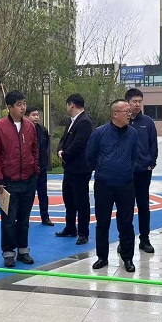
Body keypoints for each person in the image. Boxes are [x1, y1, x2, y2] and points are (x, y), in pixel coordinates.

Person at [87, 99, 139, 273]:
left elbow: (134, 155)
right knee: (102, 222)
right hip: (104, 184)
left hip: (126, 184)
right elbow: (90, 156)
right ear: (115, 114)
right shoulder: (99, 133)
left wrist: (128, 169)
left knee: (126, 223)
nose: (129, 115)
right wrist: (102, 169)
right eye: (126, 112)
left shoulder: (133, 133)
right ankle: (102, 257)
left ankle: (128, 258)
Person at [0, 90, 39, 267]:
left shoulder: (30, 126)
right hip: (9, 182)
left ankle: (23, 250)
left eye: (24, 103)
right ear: (9, 107)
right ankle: (8, 252)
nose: (23, 107)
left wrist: (35, 169)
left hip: (28, 179)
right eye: (19, 105)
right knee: (8, 220)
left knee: (24, 219)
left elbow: (35, 150)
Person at [56, 93, 94, 244]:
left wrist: (65, 154)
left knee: (81, 201)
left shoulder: (84, 121)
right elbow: (63, 140)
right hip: (70, 168)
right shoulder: (72, 121)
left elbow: (79, 143)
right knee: (69, 199)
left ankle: (83, 232)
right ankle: (70, 227)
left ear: (71, 105)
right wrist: (60, 149)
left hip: (80, 169)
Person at [125, 88, 158, 253]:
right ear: (128, 102)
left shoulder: (147, 122)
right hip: (125, 172)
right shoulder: (122, 120)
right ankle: (125, 240)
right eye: (134, 101)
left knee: (143, 206)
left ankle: (145, 239)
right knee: (125, 207)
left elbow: (153, 144)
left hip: (144, 170)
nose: (137, 104)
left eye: (140, 101)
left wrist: (151, 163)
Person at [26, 106, 54, 226]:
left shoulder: (43, 130)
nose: (36, 117)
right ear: (27, 116)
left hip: (41, 167)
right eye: (34, 115)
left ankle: (45, 217)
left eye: (37, 115)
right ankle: (24, 218)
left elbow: (45, 147)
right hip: (28, 169)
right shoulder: (23, 130)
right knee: (28, 195)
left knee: (43, 194)